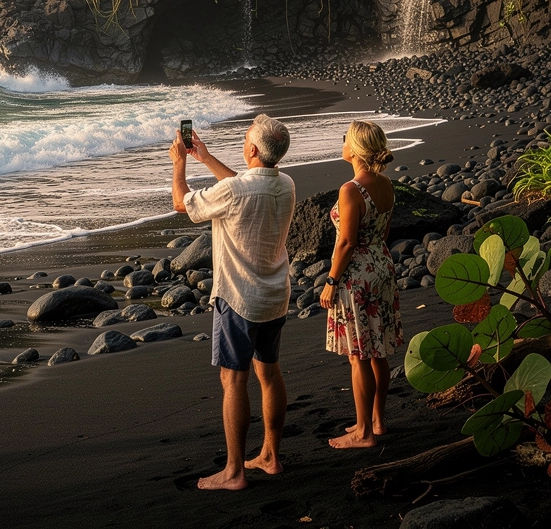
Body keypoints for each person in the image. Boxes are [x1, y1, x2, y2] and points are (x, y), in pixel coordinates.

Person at [169, 114, 295, 491]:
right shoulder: (285, 183)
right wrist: (206, 158)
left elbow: (181, 203)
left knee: (233, 378)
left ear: (252, 149)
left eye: (244, 140)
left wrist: (180, 162)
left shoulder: (237, 191)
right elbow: (243, 184)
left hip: (239, 297)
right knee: (269, 373)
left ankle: (234, 471)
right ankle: (270, 455)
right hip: (275, 295)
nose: (242, 144)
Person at [319, 119, 403, 449]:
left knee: (358, 355)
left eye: (345, 139)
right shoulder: (385, 184)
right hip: (382, 265)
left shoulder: (351, 189)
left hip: (357, 275)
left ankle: (363, 432)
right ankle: (377, 420)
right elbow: (384, 231)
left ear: (354, 149)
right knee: (377, 349)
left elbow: (346, 242)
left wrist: (331, 281)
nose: (342, 143)